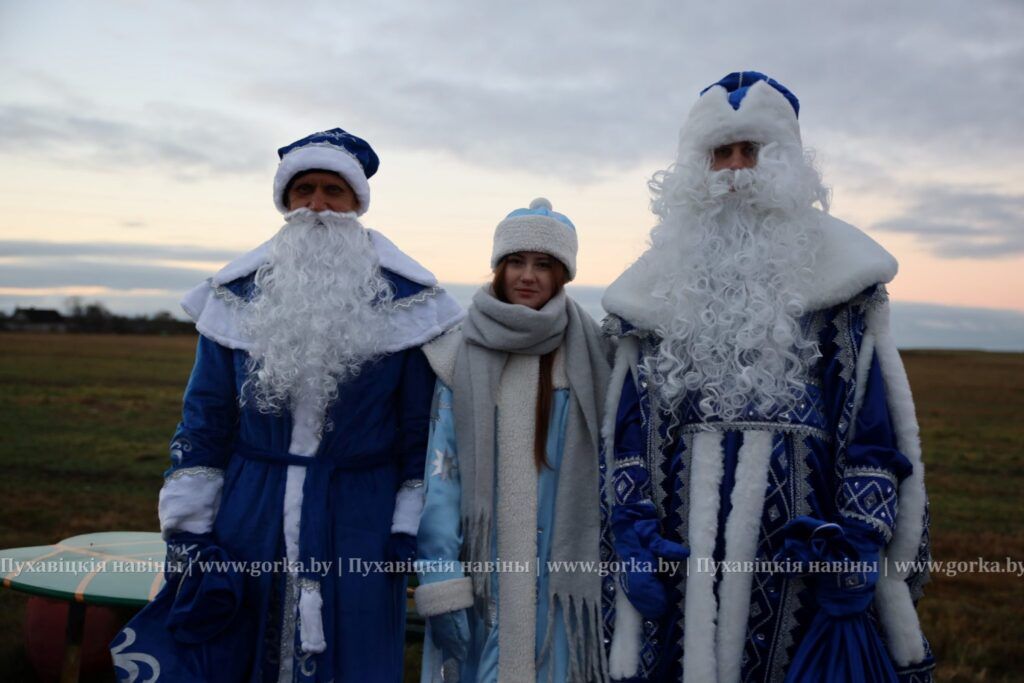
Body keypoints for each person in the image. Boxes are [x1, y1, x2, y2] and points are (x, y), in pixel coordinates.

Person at [601, 73, 935, 682]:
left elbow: (871, 416)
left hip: (805, 539)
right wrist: (634, 527)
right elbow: (630, 420)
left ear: (782, 162)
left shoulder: (842, 277)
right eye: (720, 153)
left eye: (749, 151)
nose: (734, 170)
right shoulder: (655, 286)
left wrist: (860, 537)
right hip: (682, 540)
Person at [110, 128, 464, 682]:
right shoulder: (234, 295)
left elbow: (420, 427)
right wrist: (189, 525)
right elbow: (205, 416)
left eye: (333, 191)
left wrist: (407, 521)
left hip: (362, 513)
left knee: (357, 648)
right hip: (251, 506)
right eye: (304, 190)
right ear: (284, 200)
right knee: (238, 642)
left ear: (357, 202)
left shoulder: (410, 302)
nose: (317, 206)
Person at [413, 199, 613, 682]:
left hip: (559, 580)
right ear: (498, 267)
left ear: (562, 273)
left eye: (543, 264)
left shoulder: (593, 355)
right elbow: (442, 476)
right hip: (484, 578)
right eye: (516, 262)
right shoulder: (459, 353)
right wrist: (441, 574)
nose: (527, 276)